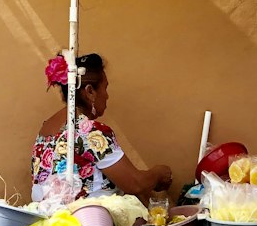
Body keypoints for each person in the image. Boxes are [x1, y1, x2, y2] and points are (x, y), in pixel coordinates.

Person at [31, 52, 174, 202]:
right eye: (105, 88)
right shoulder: (90, 131)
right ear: (90, 91)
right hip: (88, 221)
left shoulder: (46, 128)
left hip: (50, 219)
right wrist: (158, 173)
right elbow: (135, 183)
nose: (107, 96)